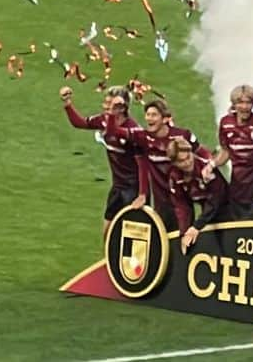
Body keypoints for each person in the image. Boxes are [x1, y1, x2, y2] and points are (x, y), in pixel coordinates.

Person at [59, 85, 148, 241]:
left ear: (121, 108)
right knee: (107, 231)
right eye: (106, 103)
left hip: (133, 189)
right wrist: (67, 103)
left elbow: (143, 165)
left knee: (132, 235)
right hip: (118, 187)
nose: (105, 106)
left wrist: (142, 194)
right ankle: (108, 260)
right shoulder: (104, 120)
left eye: (110, 104)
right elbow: (80, 123)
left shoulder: (133, 131)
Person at [109, 98, 209, 228]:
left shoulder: (182, 135)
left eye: (154, 115)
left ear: (165, 119)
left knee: (183, 241)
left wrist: (209, 166)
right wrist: (112, 111)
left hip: (182, 202)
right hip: (161, 204)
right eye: (148, 115)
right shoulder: (143, 137)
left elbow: (203, 153)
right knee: (163, 242)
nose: (149, 118)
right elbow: (113, 131)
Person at [214, 84, 253, 220]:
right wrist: (210, 165)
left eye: (249, 102)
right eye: (240, 102)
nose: (245, 107)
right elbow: (226, 152)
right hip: (237, 187)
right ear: (234, 104)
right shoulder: (226, 123)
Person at [168, 137, 229, 253]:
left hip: (228, 213)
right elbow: (182, 207)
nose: (187, 162)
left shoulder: (206, 170)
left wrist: (196, 226)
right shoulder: (175, 177)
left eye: (188, 157)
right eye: (181, 161)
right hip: (207, 216)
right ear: (174, 163)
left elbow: (216, 201)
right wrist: (184, 232)